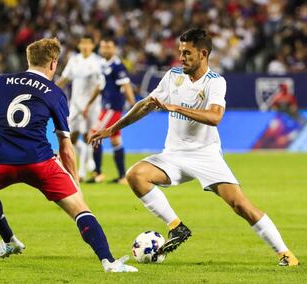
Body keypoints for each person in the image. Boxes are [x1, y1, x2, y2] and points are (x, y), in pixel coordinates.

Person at [89, 28, 299, 266]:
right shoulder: (173, 76)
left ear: (203, 54)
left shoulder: (215, 82)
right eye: (180, 52)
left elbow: (215, 117)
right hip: (173, 155)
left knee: (240, 205)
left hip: (205, 155)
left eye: (187, 53)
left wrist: (175, 108)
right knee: (136, 175)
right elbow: (146, 104)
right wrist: (113, 128)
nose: (181, 57)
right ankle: (176, 227)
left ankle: (285, 254)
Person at [0, 38, 137, 273]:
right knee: (80, 208)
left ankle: (9, 241)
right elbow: (65, 145)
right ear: (53, 64)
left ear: (29, 60)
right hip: (40, 163)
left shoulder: (1, 82)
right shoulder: (55, 93)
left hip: (1, 162)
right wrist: (74, 182)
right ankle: (108, 262)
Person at [83, 36, 135, 184]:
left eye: (108, 47)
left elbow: (126, 86)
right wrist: (88, 104)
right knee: (115, 140)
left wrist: (133, 105)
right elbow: (100, 87)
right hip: (105, 107)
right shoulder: (102, 64)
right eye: (103, 47)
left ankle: (97, 173)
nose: (105, 49)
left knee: (94, 134)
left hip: (113, 108)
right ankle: (122, 177)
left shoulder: (118, 65)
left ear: (114, 49)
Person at [56, 35, 102, 181]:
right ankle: (87, 157)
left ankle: (81, 172)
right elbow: (65, 78)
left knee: (88, 135)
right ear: (80, 45)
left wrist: (88, 105)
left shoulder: (97, 62)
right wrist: (50, 90)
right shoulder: (74, 60)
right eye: (83, 43)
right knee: (72, 137)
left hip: (92, 106)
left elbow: (99, 86)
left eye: (88, 43)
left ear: (92, 46)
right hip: (75, 104)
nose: (85, 46)